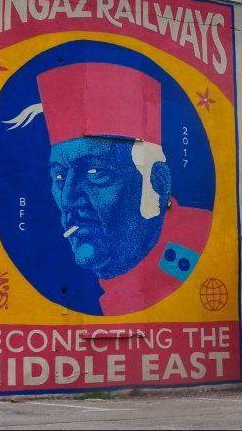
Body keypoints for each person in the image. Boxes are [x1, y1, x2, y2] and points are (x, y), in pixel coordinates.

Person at [35, 62, 211, 315]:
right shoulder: (117, 285)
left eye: (96, 173)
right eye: (60, 176)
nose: (69, 199)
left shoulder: (196, 254)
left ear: (157, 184)